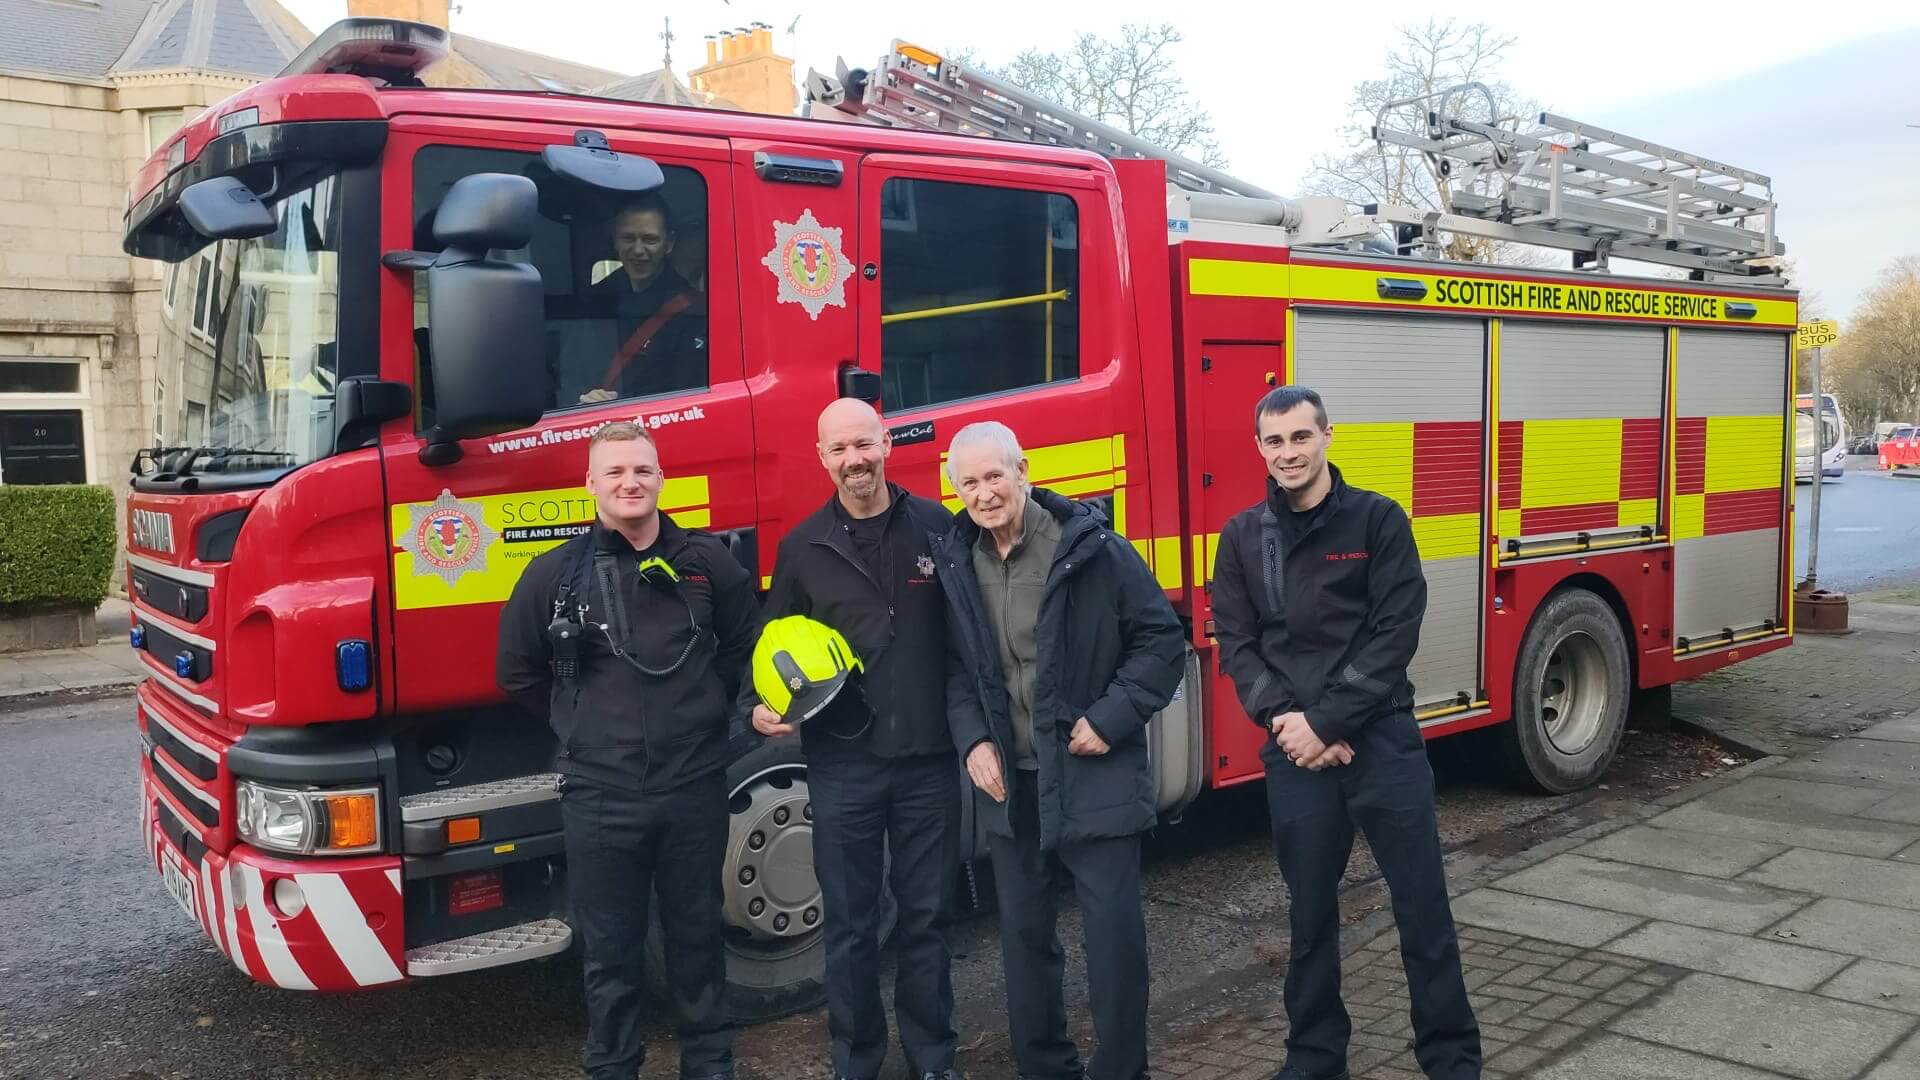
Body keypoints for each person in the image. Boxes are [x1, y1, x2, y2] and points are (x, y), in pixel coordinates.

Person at [1210, 386, 1481, 1080]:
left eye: (1301, 437)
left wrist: (1327, 721)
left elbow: (1396, 631)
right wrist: (1289, 724)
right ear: (1259, 450)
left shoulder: (1378, 521)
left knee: (1421, 907)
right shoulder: (1243, 537)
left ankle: (1451, 1060)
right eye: (1275, 442)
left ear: (1328, 437)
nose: (1289, 453)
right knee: (1309, 919)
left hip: (1380, 738)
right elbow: (1239, 644)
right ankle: (1314, 1056)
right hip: (1294, 746)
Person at [496, 421, 757, 1080]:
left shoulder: (706, 562)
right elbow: (518, 671)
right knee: (609, 952)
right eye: (614, 472)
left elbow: (742, 646)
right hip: (601, 795)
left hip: (693, 787)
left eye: (641, 470)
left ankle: (710, 1064)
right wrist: (581, 726)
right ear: (590, 484)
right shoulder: (554, 575)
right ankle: (613, 1066)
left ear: (661, 478)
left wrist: (703, 715)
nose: (629, 483)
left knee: (697, 939)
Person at [932, 420, 1185, 1080]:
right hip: (1009, 785)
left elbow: (1161, 643)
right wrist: (974, 741)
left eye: (995, 476)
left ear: (1023, 471)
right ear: (954, 488)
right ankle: (1045, 1066)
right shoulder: (958, 561)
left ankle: (1121, 1070)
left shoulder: (1095, 550)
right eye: (969, 482)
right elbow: (956, 669)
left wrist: (1110, 718)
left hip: (1092, 770)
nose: (984, 493)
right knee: (1023, 939)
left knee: (1112, 941)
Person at [745, 398, 964, 1080]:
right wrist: (761, 706)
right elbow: (774, 645)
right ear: (822, 457)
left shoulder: (937, 526)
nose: (854, 460)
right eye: (839, 449)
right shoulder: (803, 547)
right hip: (844, 764)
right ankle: (856, 1060)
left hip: (930, 760)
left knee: (928, 921)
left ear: (887, 443)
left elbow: (969, 636)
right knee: (850, 926)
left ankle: (933, 1059)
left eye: (863, 444)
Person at [576, 193, 707, 404]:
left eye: (650, 240)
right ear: (615, 241)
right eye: (628, 238)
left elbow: (687, 395)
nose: (638, 250)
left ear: (669, 243)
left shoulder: (691, 311)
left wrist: (614, 403)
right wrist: (580, 398)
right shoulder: (596, 298)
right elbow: (573, 364)